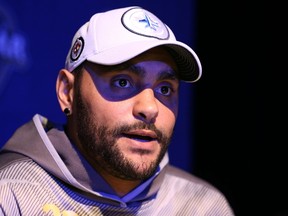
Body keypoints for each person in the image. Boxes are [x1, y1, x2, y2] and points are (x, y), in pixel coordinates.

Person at [0, 6, 234, 216]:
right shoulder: (11, 193)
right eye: (122, 82)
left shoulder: (203, 206)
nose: (150, 108)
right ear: (67, 92)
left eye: (165, 88)